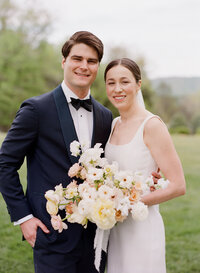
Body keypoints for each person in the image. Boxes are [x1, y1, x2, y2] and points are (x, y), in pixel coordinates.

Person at [0, 31, 113, 273]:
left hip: (96, 239)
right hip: (51, 236)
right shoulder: (36, 110)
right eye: (77, 59)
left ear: (97, 67)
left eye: (91, 61)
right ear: (64, 62)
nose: (84, 66)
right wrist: (24, 218)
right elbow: (5, 164)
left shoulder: (105, 116)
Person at [104, 58, 186, 273]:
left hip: (141, 228)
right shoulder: (114, 124)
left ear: (138, 84)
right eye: (111, 82)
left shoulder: (152, 125)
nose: (117, 89)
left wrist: (128, 205)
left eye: (124, 82)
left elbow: (178, 185)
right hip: (114, 229)